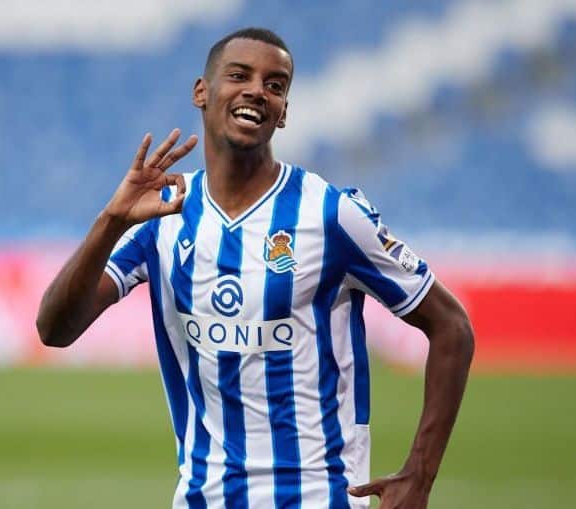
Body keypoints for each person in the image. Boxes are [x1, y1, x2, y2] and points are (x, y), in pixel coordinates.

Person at [36, 27, 474, 509]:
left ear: (283, 112)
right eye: (239, 75)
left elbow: (451, 325)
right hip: (204, 498)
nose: (257, 91)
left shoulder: (329, 214)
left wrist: (421, 474)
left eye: (275, 84)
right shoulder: (164, 213)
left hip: (316, 498)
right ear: (201, 92)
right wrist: (110, 220)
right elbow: (55, 329)